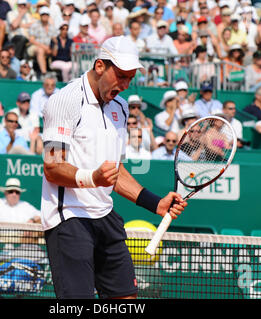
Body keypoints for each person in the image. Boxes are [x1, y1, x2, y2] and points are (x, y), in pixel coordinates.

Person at [41, 36, 187, 299]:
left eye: (130, 78)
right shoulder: (64, 100)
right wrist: (92, 177)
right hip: (69, 219)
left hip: (105, 216)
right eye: (120, 76)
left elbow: (115, 171)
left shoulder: (120, 106)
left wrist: (155, 204)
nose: (125, 84)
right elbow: (52, 168)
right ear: (100, 66)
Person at [27, 6, 57, 77]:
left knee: (55, 50)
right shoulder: (35, 25)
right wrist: (44, 47)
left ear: (49, 16)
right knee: (40, 50)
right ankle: (44, 73)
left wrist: (52, 48)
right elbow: (31, 40)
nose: (45, 16)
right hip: (34, 47)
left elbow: (55, 40)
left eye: (46, 14)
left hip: (47, 47)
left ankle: (54, 72)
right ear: (40, 15)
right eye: (43, 14)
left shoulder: (52, 27)